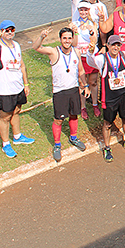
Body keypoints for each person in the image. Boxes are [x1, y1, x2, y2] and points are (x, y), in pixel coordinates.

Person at [86, 34, 125, 162]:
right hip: (110, 98)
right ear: (107, 46)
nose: (115, 47)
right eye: (113, 44)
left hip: (124, 95)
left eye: (118, 45)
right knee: (107, 123)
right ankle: (107, 148)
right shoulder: (102, 59)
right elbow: (90, 61)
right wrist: (90, 52)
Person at [31, 27, 88, 162]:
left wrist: (84, 85)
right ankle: (57, 145)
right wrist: (42, 36)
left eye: (69, 38)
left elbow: (80, 70)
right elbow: (36, 48)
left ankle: (73, 137)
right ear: (60, 39)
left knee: (74, 114)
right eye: (64, 38)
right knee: (59, 119)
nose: (67, 41)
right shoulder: (53, 52)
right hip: (60, 92)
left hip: (73, 89)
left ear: (73, 39)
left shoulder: (76, 52)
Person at [0, 20, 34, 158]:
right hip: (5, 89)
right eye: (6, 30)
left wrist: (26, 84)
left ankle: (17, 136)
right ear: (1, 31)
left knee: (17, 111)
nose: (10, 32)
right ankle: (5, 143)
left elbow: (22, 65)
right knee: (5, 117)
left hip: (17, 87)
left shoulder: (16, 45)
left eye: (12, 30)